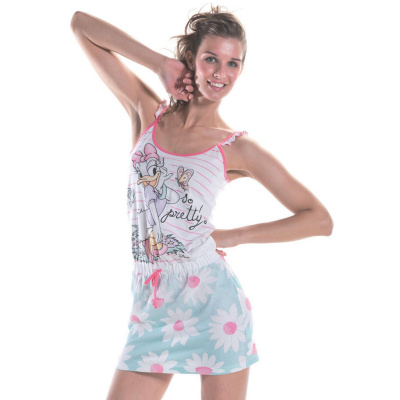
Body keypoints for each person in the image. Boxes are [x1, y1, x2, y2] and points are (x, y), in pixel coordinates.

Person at [71, 5, 333, 400]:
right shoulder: (148, 113)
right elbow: (81, 25)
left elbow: (319, 219)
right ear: (191, 58)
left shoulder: (235, 147)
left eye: (233, 64)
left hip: (214, 306)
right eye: (211, 58)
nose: (220, 73)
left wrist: (232, 236)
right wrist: (159, 64)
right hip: (150, 301)